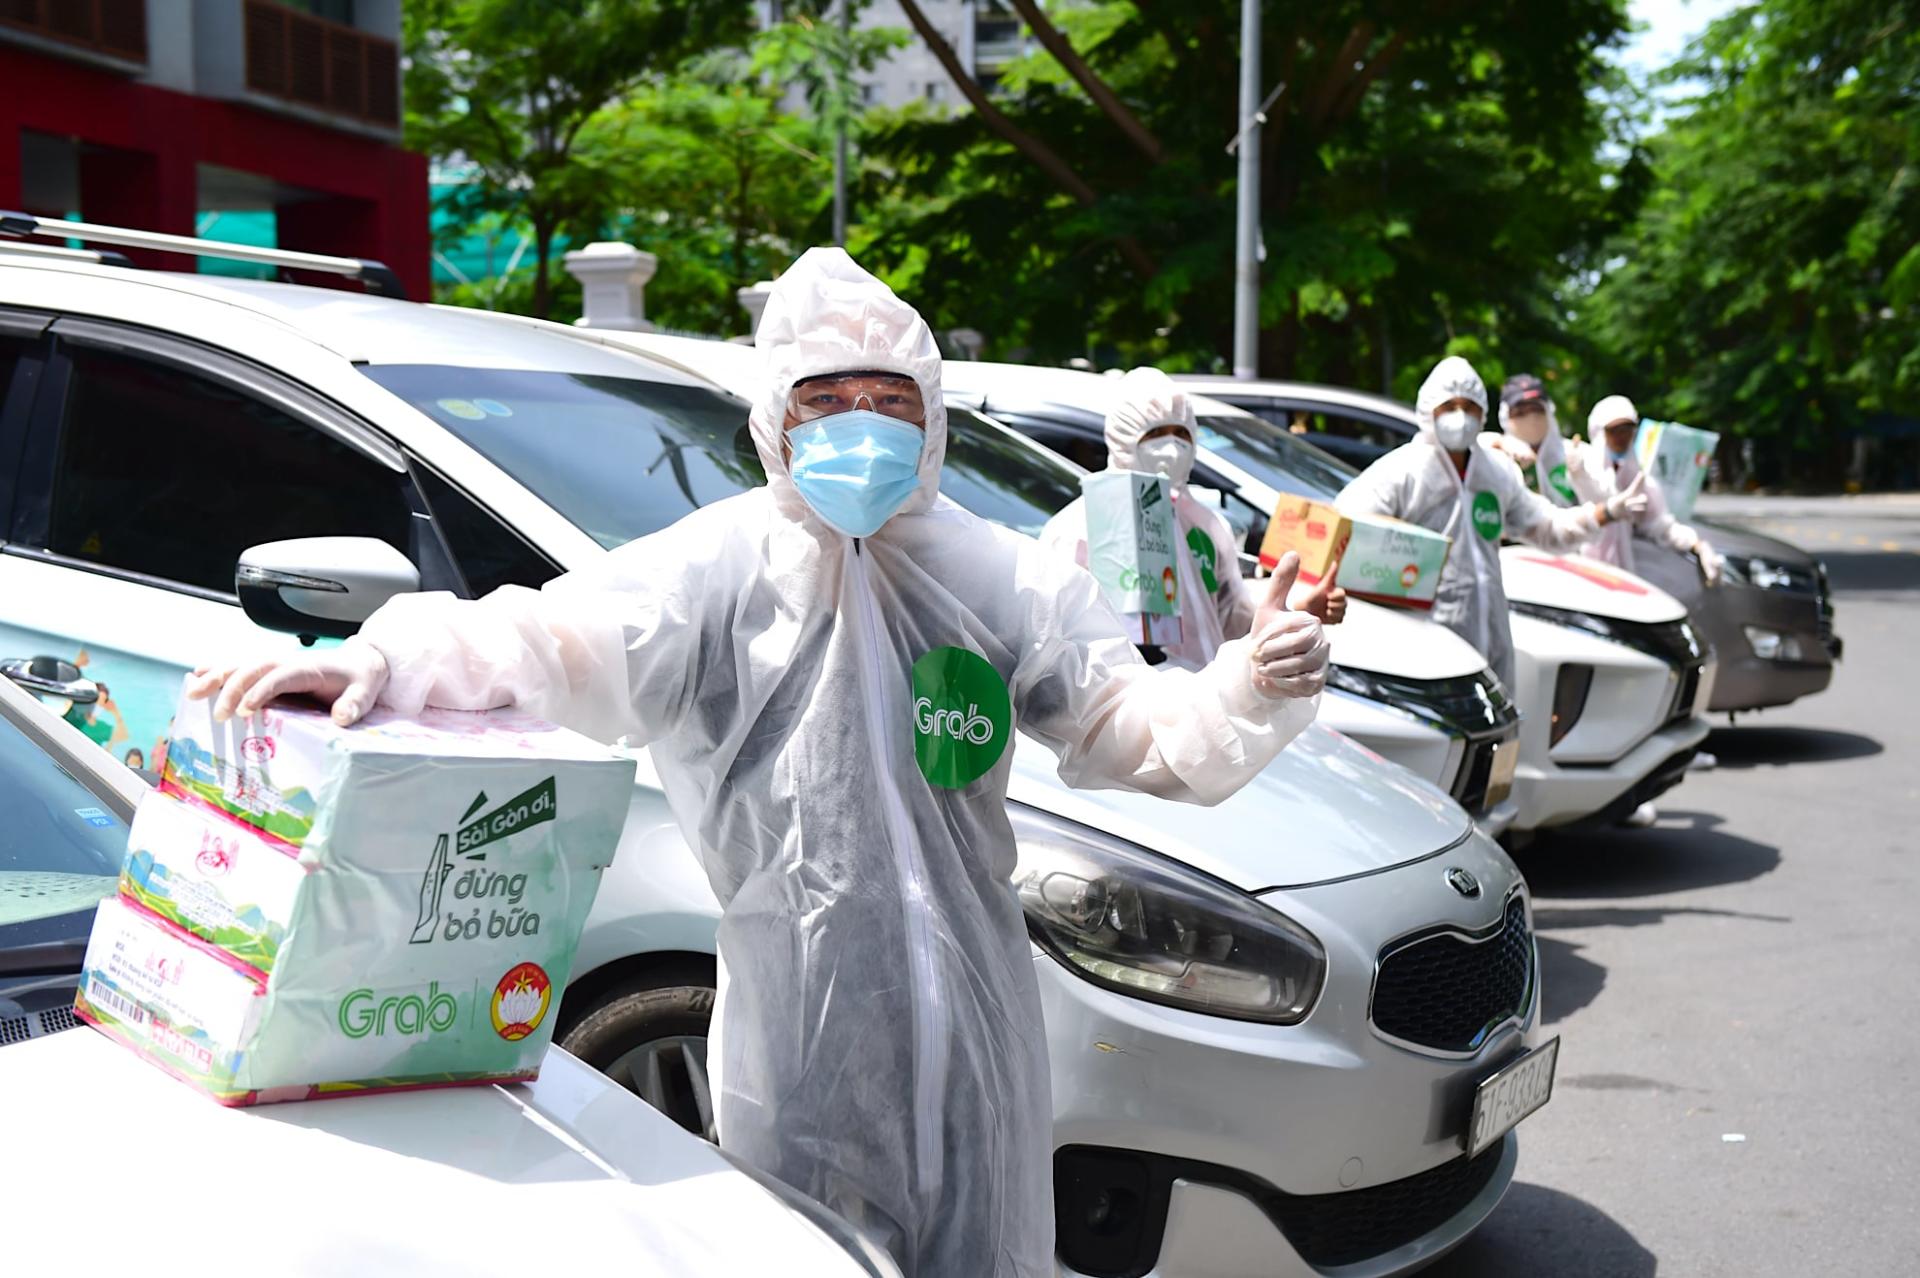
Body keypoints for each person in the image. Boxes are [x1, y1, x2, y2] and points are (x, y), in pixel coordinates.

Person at [184, 248, 1330, 1278]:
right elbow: (548, 637)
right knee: (804, 1250)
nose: (861, 427)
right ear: (772, 420)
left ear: (932, 420)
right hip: (801, 1036)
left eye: (890, 400)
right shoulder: (718, 574)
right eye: (825, 400)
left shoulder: (998, 578)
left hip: (982, 1031)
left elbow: (1128, 730)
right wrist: (386, 656)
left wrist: (1250, 684)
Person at [1335, 355, 1647, 688]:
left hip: (1491, 630)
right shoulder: (1401, 472)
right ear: (1428, 412)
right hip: (1423, 640)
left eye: (1469, 406)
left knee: (1498, 724)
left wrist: (1606, 511)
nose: (1461, 417)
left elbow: (1546, 527)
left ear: (1483, 412)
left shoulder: (1495, 472)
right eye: (1449, 406)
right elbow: (1344, 528)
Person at [1039, 366, 1346, 670]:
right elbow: (1056, 637)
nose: (1172, 447)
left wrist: (1299, 610)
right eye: (1155, 434)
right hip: (1123, 708)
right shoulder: (1078, 530)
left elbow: (1233, 619)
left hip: (1206, 705)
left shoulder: (1204, 526)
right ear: (1123, 439)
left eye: (1181, 433)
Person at [1570, 395, 1720, 585]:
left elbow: (1661, 526)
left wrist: (1697, 545)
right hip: (1580, 573)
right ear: (1599, 432)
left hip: (1625, 578)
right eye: (1614, 430)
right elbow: (1591, 496)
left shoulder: (1640, 481)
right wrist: (1578, 475)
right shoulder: (1579, 469)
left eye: (1627, 429)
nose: (1622, 436)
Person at [1489, 372, 1579, 506]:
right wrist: (1497, 442)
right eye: (1520, 412)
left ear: (1548, 410)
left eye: (1536, 409)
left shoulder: (1574, 453)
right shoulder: (1497, 456)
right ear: (1505, 417)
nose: (1530, 417)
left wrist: (1582, 476)